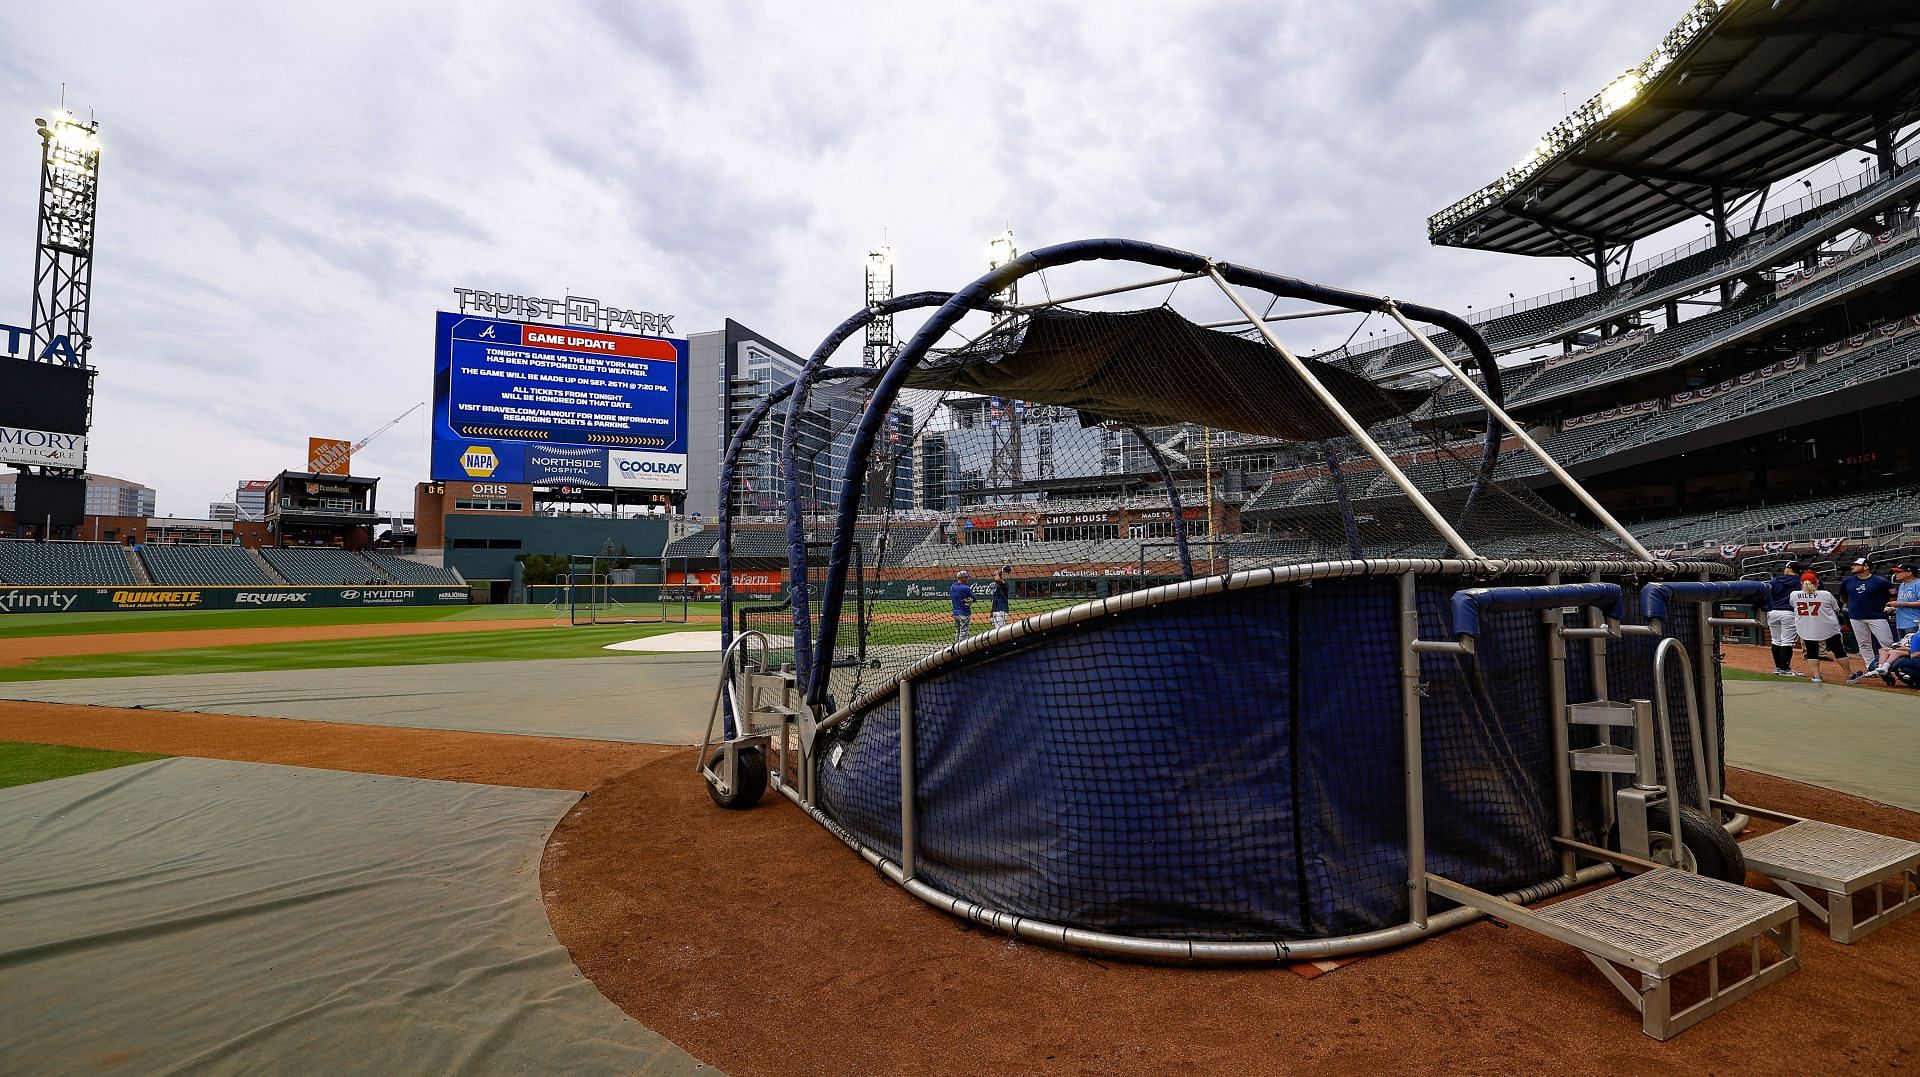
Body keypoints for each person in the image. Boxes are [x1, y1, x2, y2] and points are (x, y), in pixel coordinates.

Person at [1790, 571, 1856, 685]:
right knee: (1838, 651)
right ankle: (1849, 675)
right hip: (1828, 628)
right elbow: (1836, 609)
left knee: (1811, 652)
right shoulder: (1826, 594)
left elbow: (1793, 605)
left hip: (1806, 628)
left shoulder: (1794, 594)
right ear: (1817, 582)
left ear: (1801, 583)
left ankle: (1816, 676)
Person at [1840, 558, 1897, 681]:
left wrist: (1889, 607)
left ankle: (1888, 668)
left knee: (1887, 644)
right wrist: (1852, 606)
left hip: (1877, 617)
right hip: (1856, 616)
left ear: (1866, 567)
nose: (1852, 567)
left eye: (1856, 565)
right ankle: (1871, 667)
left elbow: (1893, 596)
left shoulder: (1880, 581)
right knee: (1863, 644)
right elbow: (1843, 597)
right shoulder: (1847, 581)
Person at [1763, 561, 1804, 676]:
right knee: (1787, 641)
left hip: (1773, 611)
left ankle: (1778, 668)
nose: (1784, 569)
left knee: (1776, 640)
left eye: (1786, 568)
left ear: (1790, 569)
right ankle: (1785, 669)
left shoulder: (1776, 580)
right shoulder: (1800, 581)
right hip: (1789, 612)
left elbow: (1765, 593)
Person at [950, 569, 974, 643]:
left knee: (958, 631)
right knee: (963, 632)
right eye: (966, 577)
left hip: (955, 613)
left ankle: (955, 647)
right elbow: (974, 598)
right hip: (964, 612)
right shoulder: (966, 588)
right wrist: (969, 599)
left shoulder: (953, 587)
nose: (967, 578)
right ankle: (961, 649)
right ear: (962, 578)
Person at [990, 566, 1012, 630]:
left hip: (1002, 610)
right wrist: (991, 612)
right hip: (995, 610)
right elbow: (994, 599)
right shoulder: (996, 585)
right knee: (996, 631)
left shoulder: (1005, 583)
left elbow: (997, 579)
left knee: (1000, 631)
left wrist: (997, 573)